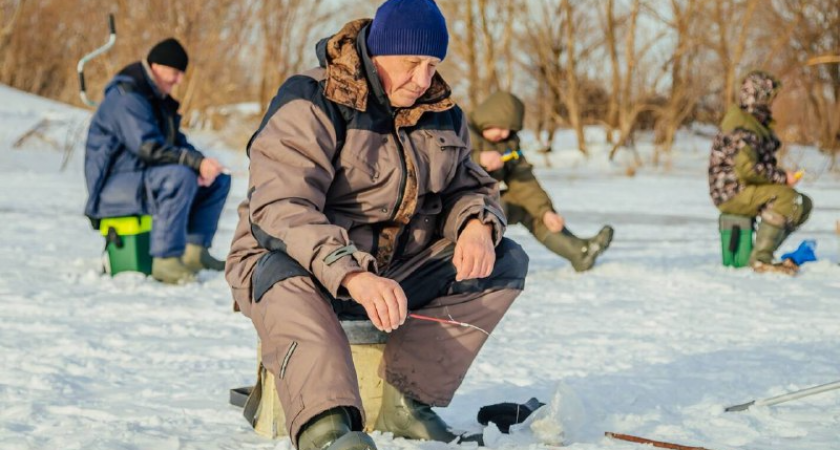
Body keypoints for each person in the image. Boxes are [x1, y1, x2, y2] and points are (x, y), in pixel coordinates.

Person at [225, 1, 529, 449]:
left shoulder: (443, 113)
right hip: (299, 266)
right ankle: (325, 428)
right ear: (378, 52)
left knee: (503, 259)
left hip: (392, 271)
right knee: (281, 267)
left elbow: (473, 185)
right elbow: (281, 207)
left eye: (433, 65)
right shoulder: (312, 99)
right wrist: (352, 272)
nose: (424, 79)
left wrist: (478, 225)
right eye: (412, 64)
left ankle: (406, 402)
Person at [84, 38, 231, 284]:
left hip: (141, 178)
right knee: (180, 176)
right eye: (174, 73)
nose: (178, 81)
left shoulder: (155, 99)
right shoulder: (127, 97)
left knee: (218, 180)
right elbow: (147, 147)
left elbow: (176, 143)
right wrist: (192, 164)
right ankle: (166, 260)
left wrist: (204, 164)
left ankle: (195, 252)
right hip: (111, 187)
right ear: (155, 67)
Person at [469, 91, 613, 272]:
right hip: (455, 206)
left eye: (510, 129)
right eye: (501, 126)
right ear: (488, 117)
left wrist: (545, 212)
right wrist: (477, 159)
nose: (505, 133)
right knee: (496, 208)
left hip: (486, 200)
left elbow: (524, 181)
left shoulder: (509, 144)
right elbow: (441, 163)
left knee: (527, 207)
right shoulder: (458, 129)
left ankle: (578, 251)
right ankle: (475, 268)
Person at [708, 71, 812, 275]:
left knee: (803, 204)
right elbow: (746, 169)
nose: (772, 102)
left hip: (746, 187)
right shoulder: (742, 124)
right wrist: (783, 178)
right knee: (788, 198)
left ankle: (761, 253)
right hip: (731, 191)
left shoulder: (754, 121)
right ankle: (760, 260)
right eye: (769, 96)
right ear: (758, 96)